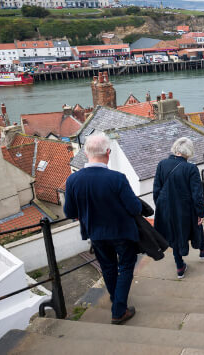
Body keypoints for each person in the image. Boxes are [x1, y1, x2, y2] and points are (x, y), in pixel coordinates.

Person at [64, 132, 141, 325]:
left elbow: (69, 211)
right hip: (122, 232)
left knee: (107, 267)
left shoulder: (73, 180)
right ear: (108, 152)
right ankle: (119, 311)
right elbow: (134, 208)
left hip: (96, 233)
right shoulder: (117, 178)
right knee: (125, 268)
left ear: (86, 153)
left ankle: (116, 298)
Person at [153, 137, 204, 279]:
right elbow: (197, 195)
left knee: (174, 235)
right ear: (189, 152)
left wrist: (161, 207)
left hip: (166, 208)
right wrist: (200, 212)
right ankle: (201, 250)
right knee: (197, 223)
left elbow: (156, 189)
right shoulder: (191, 168)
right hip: (185, 209)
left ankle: (180, 266)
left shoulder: (162, 164)